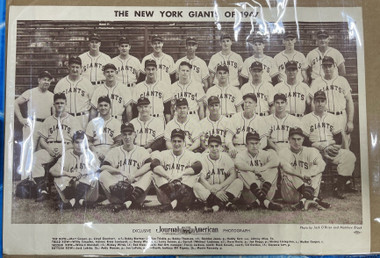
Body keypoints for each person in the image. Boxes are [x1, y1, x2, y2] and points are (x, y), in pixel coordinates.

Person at [301, 91, 357, 199]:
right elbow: (305, 141)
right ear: (314, 102)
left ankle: (339, 186)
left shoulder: (333, 118)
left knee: (349, 156)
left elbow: (338, 139)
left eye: (322, 101)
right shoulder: (306, 118)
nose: (320, 104)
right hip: (314, 150)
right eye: (317, 101)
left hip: (330, 148)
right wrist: (317, 146)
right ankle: (315, 187)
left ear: (326, 102)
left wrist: (331, 147)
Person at [31, 93, 82, 202]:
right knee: (36, 157)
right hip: (50, 148)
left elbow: (78, 141)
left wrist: (64, 149)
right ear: (53, 104)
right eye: (57, 103)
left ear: (66, 104)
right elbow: (42, 140)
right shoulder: (48, 120)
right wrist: (49, 149)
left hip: (67, 149)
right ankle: (42, 190)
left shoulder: (73, 120)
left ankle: (66, 191)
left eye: (62, 103)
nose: (59, 105)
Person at [99, 123, 153, 212]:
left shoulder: (141, 150)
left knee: (150, 173)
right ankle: (132, 202)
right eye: (124, 134)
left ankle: (128, 201)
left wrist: (134, 175)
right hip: (118, 191)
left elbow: (149, 165)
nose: (127, 137)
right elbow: (104, 167)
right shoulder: (114, 151)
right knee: (103, 174)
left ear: (134, 134)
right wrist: (119, 172)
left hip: (136, 190)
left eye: (130, 134)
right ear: (121, 136)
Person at [14, 70, 54, 179]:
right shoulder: (30, 92)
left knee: (40, 154)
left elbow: (54, 114)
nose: (46, 82)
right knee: (27, 152)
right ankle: (25, 181)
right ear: (39, 80)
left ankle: (37, 182)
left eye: (48, 80)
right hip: (32, 124)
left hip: (45, 126)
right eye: (44, 79)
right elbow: (15, 103)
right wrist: (21, 119)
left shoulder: (51, 96)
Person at [278, 127, 330, 210]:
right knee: (289, 172)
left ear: (303, 139)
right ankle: (312, 199)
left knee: (317, 171)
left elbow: (322, 164)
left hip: (309, 188)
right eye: (293, 139)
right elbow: (285, 167)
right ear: (289, 139)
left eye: (299, 139)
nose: (296, 142)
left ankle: (304, 200)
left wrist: (309, 173)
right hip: (291, 194)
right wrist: (301, 175)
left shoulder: (311, 151)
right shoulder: (283, 152)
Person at [151, 129, 202, 211]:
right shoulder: (164, 153)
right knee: (155, 173)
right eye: (174, 141)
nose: (177, 144)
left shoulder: (190, 154)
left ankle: (173, 204)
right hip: (167, 193)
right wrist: (168, 176)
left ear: (184, 142)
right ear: (170, 141)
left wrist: (182, 173)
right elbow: (153, 164)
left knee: (195, 174)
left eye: (179, 141)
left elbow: (198, 166)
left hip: (184, 191)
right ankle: (178, 204)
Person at [310, 56, 354, 149]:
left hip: (340, 116)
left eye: (330, 66)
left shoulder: (342, 81)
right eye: (325, 66)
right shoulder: (317, 82)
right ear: (322, 67)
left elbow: (349, 101)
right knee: (326, 146)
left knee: (344, 146)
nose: (327, 68)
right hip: (325, 117)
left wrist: (350, 121)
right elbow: (313, 103)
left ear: (334, 66)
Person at [50, 131, 100, 209]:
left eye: (82, 142)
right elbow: (52, 170)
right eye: (77, 142)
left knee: (92, 176)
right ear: (72, 143)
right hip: (70, 189)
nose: (79, 145)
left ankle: (72, 202)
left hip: (87, 192)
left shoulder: (91, 154)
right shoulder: (67, 154)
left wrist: (81, 174)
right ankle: (80, 201)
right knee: (59, 177)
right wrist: (69, 174)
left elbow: (97, 169)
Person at [193, 135, 243, 212]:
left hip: (224, 189)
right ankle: (227, 204)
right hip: (209, 189)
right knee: (196, 186)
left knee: (238, 182)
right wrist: (213, 190)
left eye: (217, 146)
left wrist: (220, 186)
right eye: (212, 146)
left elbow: (233, 174)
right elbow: (201, 179)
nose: (214, 149)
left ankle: (215, 205)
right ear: (208, 147)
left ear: (220, 146)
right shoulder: (203, 158)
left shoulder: (225, 157)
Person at [235, 132, 282, 211]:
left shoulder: (265, 153)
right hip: (251, 193)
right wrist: (253, 169)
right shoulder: (241, 154)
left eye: (256, 143)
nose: (254, 146)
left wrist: (263, 168)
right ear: (246, 145)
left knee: (274, 169)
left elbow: (276, 161)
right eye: (251, 143)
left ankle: (259, 201)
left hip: (266, 189)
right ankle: (264, 201)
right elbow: (238, 164)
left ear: (260, 144)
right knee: (241, 171)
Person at [54, 56, 94, 129]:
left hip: (83, 118)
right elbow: (54, 105)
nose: (75, 69)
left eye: (77, 67)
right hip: (66, 117)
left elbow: (93, 106)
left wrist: (90, 122)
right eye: (72, 67)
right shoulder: (60, 84)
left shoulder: (87, 83)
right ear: (68, 67)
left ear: (81, 68)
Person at [85, 96, 121, 161]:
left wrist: (109, 152)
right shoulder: (92, 123)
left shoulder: (116, 123)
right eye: (101, 105)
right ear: (98, 107)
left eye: (105, 105)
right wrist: (96, 152)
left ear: (110, 107)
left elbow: (118, 142)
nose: (103, 108)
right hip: (96, 151)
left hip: (111, 151)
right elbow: (88, 141)